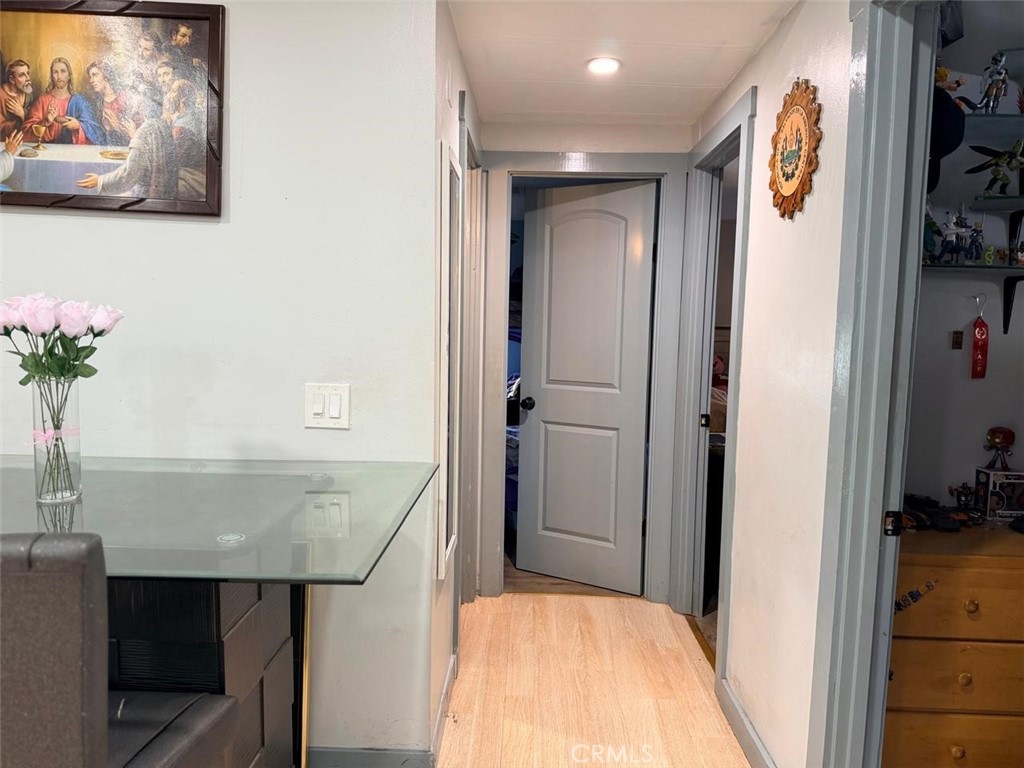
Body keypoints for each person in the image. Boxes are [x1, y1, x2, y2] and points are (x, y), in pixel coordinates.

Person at [75, 96, 177, 199]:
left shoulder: (144, 131)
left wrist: (100, 181)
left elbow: (129, 174)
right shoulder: (162, 125)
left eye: (140, 105)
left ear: (147, 106)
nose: (137, 109)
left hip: (145, 196)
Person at [22, 58, 102, 145]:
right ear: (52, 76)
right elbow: (26, 133)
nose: (59, 76)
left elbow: (94, 131)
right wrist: (45, 122)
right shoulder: (43, 100)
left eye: (63, 71)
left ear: (69, 75)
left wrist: (78, 125)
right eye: (55, 72)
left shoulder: (79, 101)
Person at [85, 61, 139, 145]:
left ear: (106, 75)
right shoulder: (96, 103)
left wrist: (117, 127)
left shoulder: (124, 97)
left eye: (95, 75)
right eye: (90, 77)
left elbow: (135, 133)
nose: (91, 80)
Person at [1, 59, 32, 140]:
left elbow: (34, 122)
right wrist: (19, 121)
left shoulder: (28, 93)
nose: (28, 78)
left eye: (28, 73)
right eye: (22, 75)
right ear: (12, 79)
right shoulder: (1, 95)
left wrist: (22, 114)